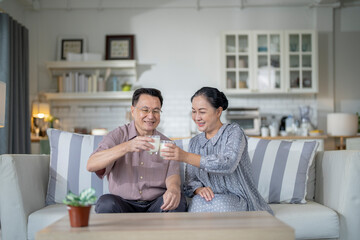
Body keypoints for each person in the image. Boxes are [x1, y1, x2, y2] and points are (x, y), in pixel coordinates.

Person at [161, 87, 273, 214]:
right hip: (208, 198)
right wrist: (199, 190)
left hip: (238, 198)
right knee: (196, 204)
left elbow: (227, 164)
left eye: (202, 112)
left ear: (218, 111)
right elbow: (190, 183)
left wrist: (186, 156)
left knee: (219, 206)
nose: (197, 117)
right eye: (194, 111)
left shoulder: (234, 132)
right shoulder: (195, 142)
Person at [87, 88, 186, 213]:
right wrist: (127, 146)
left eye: (156, 111)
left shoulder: (166, 143)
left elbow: (173, 176)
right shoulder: (117, 136)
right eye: (145, 110)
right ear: (133, 111)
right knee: (105, 203)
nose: (151, 116)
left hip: (156, 203)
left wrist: (173, 189)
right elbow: (91, 164)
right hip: (123, 202)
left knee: (178, 202)